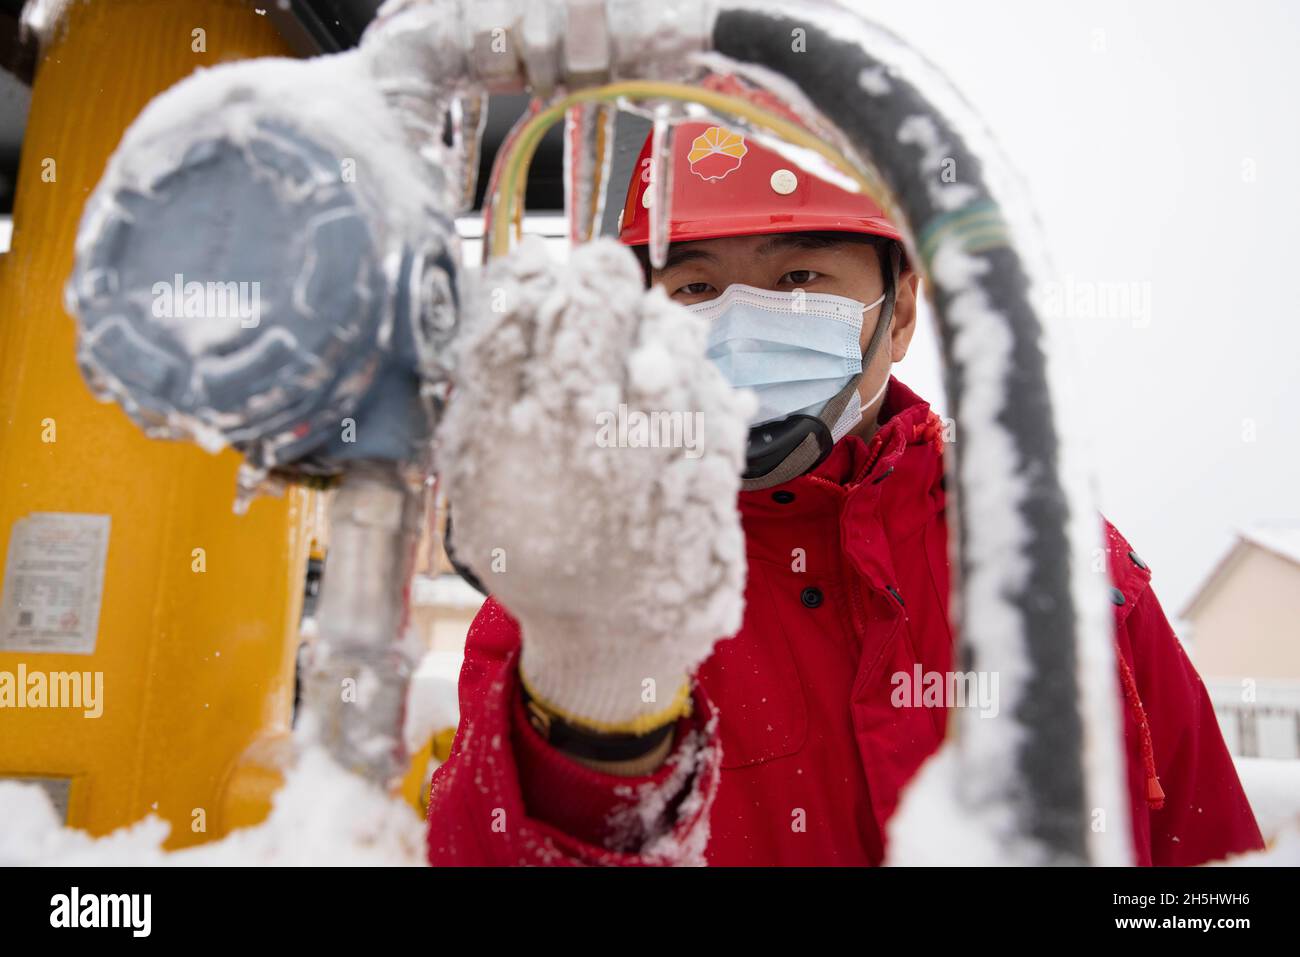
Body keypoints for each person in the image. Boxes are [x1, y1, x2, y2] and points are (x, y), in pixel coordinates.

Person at [425, 120, 1265, 866]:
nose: (742, 321)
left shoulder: (1063, 564)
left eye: (799, 277)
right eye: (695, 288)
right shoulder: (587, 567)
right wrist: (590, 697)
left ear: (899, 314)